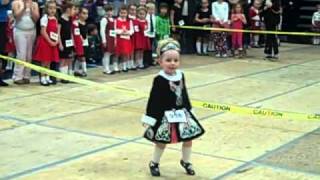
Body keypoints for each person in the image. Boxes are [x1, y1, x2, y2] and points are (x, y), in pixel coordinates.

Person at [142, 38, 205, 177]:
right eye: (168, 60)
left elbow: (184, 93)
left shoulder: (181, 75)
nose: (172, 63)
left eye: (176, 60)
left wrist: (189, 109)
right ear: (160, 61)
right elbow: (154, 99)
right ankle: (154, 162)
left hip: (182, 114)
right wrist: (150, 117)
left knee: (188, 139)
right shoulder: (159, 79)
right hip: (165, 116)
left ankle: (186, 161)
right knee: (161, 141)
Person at [12, 0, 39, 84]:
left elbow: (36, 19)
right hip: (20, 31)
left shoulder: (34, 4)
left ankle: (27, 76)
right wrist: (23, 8)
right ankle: (17, 76)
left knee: (29, 55)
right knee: (21, 54)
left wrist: (31, 9)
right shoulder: (16, 2)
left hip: (31, 31)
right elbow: (16, 17)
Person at [33, 0, 59, 86]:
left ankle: (47, 77)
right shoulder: (44, 18)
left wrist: (56, 41)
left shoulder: (55, 19)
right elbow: (43, 32)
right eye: (50, 8)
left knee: (49, 61)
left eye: (54, 8)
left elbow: (55, 31)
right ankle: (43, 78)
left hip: (52, 43)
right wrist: (50, 41)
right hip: (45, 42)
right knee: (44, 61)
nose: (52, 10)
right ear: (46, 9)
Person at [58, 1, 75, 83]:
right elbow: (58, 33)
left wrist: (73, 41)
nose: (74, 11)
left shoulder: (69, 19)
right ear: (68, 10)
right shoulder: (60, 20)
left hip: (69, 42)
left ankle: (66, 75)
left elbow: (71, 32)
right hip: (63, 42)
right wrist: (60, 43)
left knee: (68, 59)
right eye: (73, 9)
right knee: (63, 60)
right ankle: (62, 77)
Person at [115, 5, 133, 72]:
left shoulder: (129, 21)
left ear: (127, 13)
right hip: (119, 40)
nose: (123, 14)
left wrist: (127, 32)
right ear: (119, 13)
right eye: (121, 13)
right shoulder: (116, 20)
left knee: (126, 54)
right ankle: (116, 66)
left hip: (127, 39)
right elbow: (115, 30)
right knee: (118, 54)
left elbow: (132, 31)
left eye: (124, 13)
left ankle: (124, 66)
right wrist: (121, 32)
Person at [100, 4, 116, 74]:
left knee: (109, 54)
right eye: (108, 11)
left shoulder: (113, 19)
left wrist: (115, 40)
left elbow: (114, 30)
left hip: (112, 38)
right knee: (106, 54)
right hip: (107, 38)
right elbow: (102, 30)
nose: (109, 13)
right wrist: (104, 40)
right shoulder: (104, 19)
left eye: (111, 11)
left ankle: (107, 68)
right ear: (105, 12)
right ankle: (106, 69)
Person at [74, 7, 89, 77]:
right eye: (84, 13)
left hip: (85, 42)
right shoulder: (76, 23)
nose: (86, 15)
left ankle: (76, 70)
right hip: (79, 42)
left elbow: (85, 34)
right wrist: (80, 39)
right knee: (82, 57)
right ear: (79, 14)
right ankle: (84, 71)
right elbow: (77, 32)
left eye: (87, 14)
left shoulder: (85, 23)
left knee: (79, 57)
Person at [0, 0, 11, 86]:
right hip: (1, 23)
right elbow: (4, 2)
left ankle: (1, 77)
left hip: (6, 23)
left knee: (4, 51)